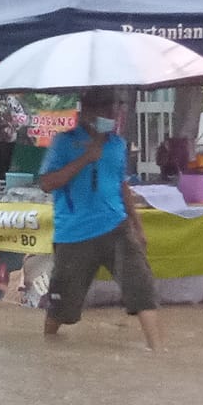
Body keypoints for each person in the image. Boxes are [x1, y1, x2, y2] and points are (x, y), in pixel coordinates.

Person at [39, 89, 164, 351]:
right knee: (62, 307)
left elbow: (122, 187)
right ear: (86, 109)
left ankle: (158, 350)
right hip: (74, 234)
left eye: (115, 107)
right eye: (105, 107)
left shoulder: (117, 144)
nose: (111, 113)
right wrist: (86, 157)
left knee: (141, 289)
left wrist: (137, 227)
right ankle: (48, 348)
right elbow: (47, 183)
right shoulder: (64, 142)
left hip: (116, 227)